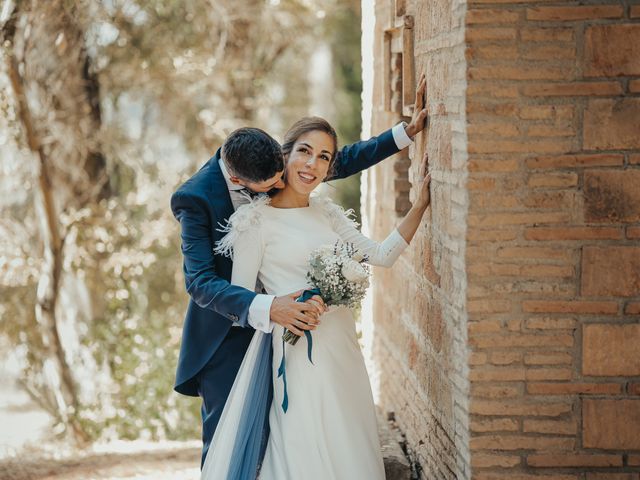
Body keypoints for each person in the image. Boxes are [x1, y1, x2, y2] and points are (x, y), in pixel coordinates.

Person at [170, 74, 429, 467]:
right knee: (230, 447)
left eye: (283, 173)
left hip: (311, 337)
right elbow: (202, 282)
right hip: (226, 334)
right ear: (239, 180)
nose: (281, 184)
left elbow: (330, 161)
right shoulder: (195, 198)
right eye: (270, 184)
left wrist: (403, 135)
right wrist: (272, 308)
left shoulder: (270, 160)